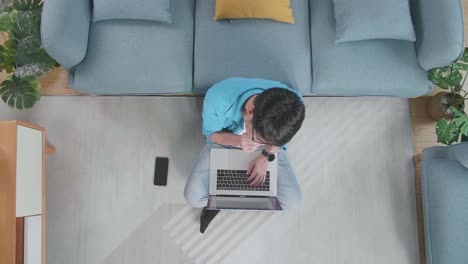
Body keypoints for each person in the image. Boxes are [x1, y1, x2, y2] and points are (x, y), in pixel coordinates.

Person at [184, 77, 306, 233]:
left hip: (269, 151)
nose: (260, 144)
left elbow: (278, 141)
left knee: (292, 201)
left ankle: (223, 202)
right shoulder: (218, 98)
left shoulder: (294, 105)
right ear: (251, 111)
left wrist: (266, 153)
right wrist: (238, 141)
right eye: (259, 139)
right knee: (193, 198)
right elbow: (211, 134)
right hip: (227, 139)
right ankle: (221, 204)